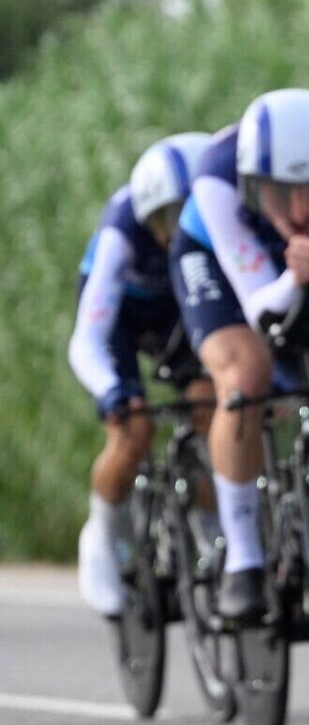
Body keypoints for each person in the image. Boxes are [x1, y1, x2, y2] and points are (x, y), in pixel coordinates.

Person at [169, 89, 309, 621]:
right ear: (254, 184)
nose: (303, 210)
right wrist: (295, 279)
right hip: (218, 267)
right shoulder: (216, 178)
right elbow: (261, 309)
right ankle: (243, 559)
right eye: (284, 195)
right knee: (245, 376)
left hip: (299, 275)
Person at [70, 133, 215, 617]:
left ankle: (211, 526)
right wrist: (111, 390)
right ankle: (101, 533)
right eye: (165, 220)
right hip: (121, 317)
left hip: (178, 310)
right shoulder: (122, 233)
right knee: (133, 430)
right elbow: (86, 339)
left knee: (212, 406)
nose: (176, 232)